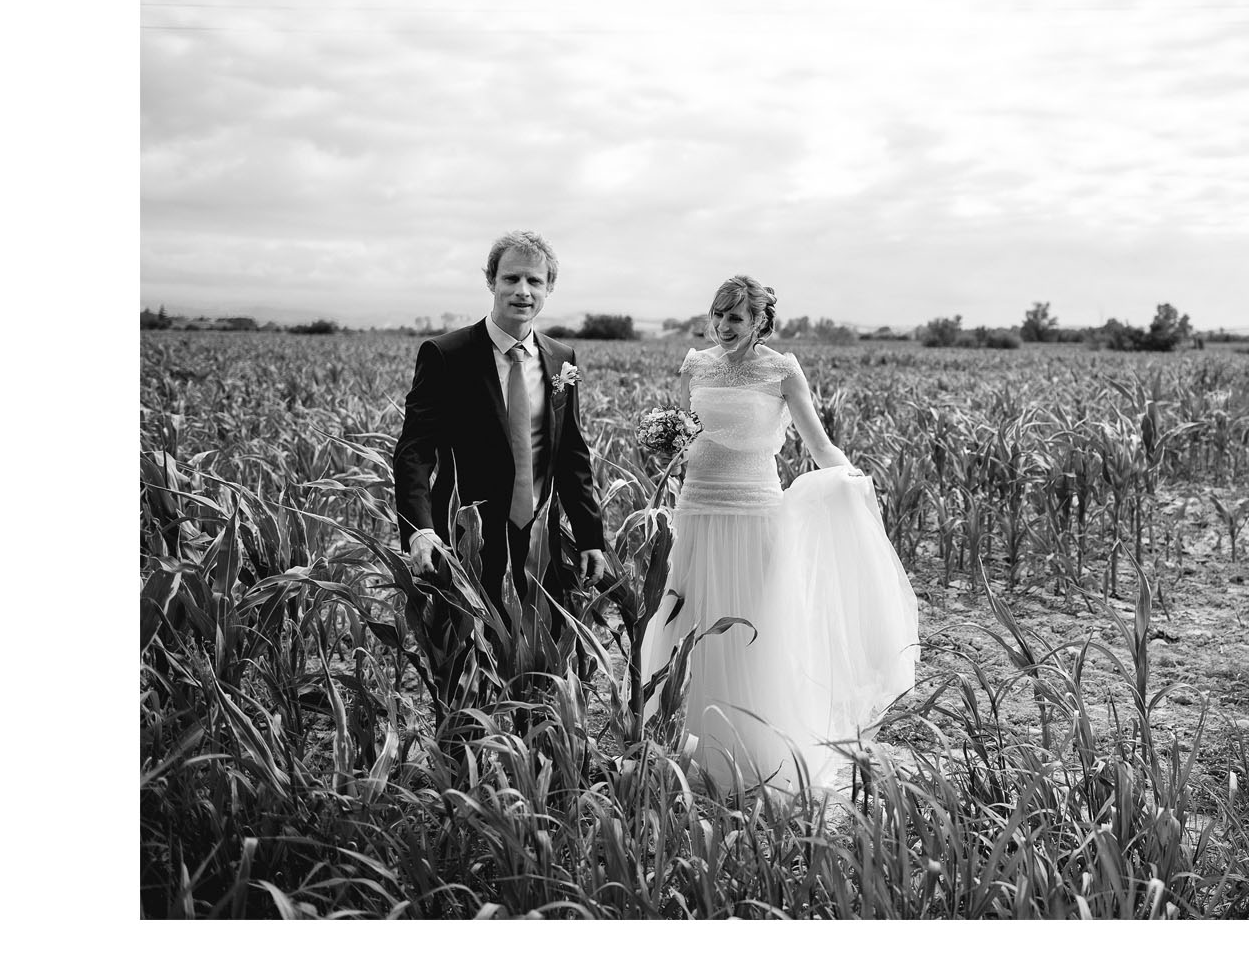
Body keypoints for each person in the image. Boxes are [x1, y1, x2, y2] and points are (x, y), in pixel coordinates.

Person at [639, 275, 920, 796]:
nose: (725, 326)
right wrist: (667, 444)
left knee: (753, 629)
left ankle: (754, 759)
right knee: (688, 622)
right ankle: (686, 752)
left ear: (759, 322)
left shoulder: (780, 369)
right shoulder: (695, 364)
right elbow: (686, 436)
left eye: (737, 317)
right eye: (719, 314)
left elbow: (818, 443)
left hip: (753, 515)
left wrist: (852, 478)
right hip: (696, 510)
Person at [392, 230, 610, 702]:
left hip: (540, 546)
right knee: (464, 672)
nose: (522, 290)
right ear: (491, 280)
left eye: (535, 280)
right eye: (511, 277)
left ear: (549, 288)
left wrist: (591, 538)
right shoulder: (446, 355)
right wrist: (420, 529)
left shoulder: (560, 359)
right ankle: (460, 766)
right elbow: (415, 449)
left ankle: (533, 766)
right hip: (469, 542)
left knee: (540, 673)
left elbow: (571, 453)